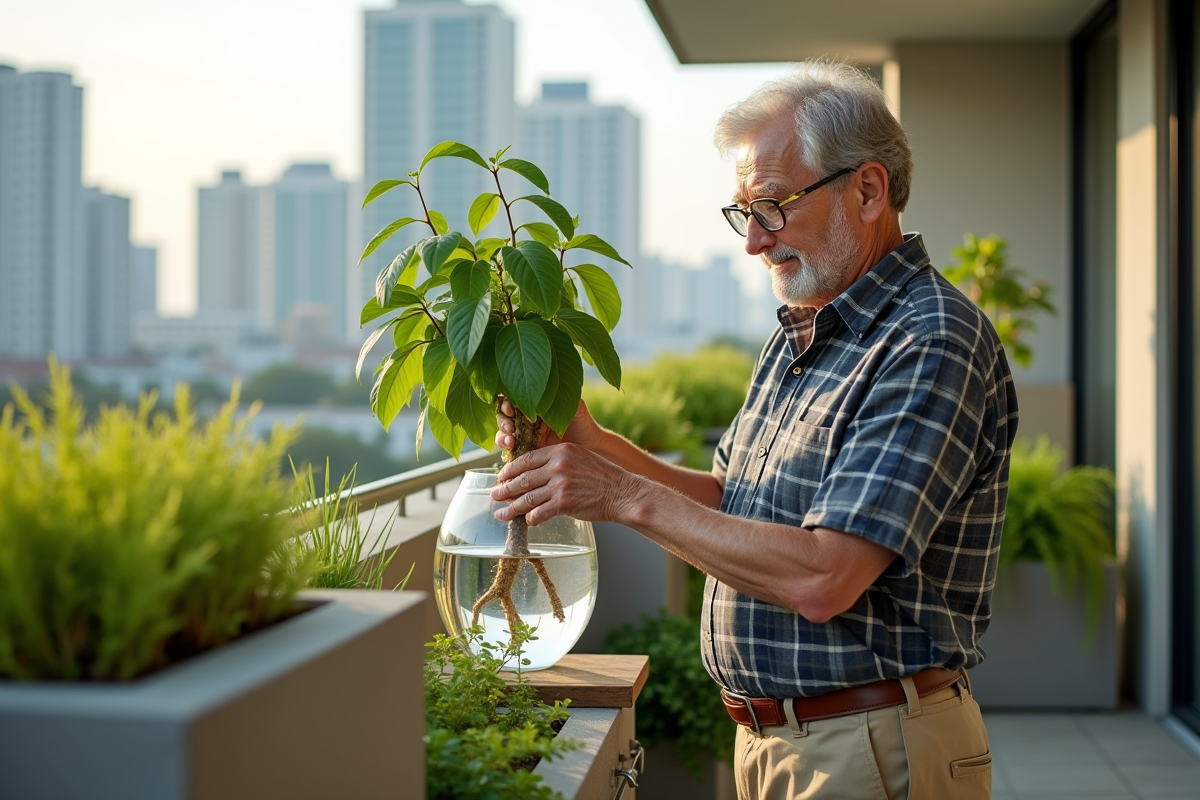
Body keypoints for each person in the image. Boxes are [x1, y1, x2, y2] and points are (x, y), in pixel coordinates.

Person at [490, 61, 1017, 800]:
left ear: (868, 190)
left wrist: (622, 495)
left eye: (771, 206)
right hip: (783, 745)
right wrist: (590, 443)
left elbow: (824, 575)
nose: (754, 243)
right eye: (745, 213)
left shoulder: (929, 339)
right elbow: (729, 502)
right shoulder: (805, 332)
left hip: (869, 749)